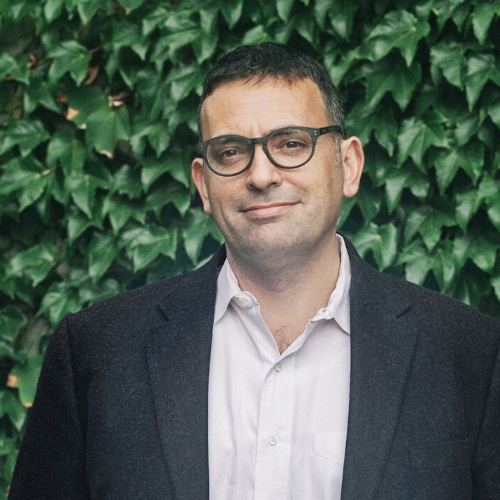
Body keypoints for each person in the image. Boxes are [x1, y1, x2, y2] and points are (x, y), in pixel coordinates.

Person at [9, 42, 500, 500]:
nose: (261, 175)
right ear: (203, 184)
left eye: (291, 144)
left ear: (349, 165)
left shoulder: (470, 353)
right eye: (230, 152)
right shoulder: (96, 351)